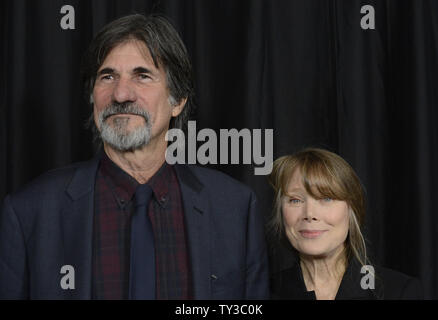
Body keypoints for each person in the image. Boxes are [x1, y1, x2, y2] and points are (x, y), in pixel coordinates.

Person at [0, 14, 269, 300]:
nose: (121, 93)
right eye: (108, 76)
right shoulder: (30, 212)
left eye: (142, 76)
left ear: (177, 101)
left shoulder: (235, 210)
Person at [268, 148, 422, 299]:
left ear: (352, 210)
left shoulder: (399, 291)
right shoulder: (260, 292)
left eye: (326, 198)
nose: (309, 214)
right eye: (295, 200)